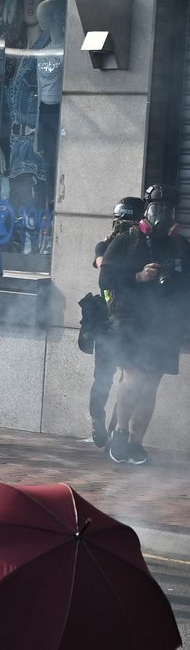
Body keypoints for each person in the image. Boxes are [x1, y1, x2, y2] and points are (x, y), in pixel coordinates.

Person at [100, 185, 190, 466]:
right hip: (130, 320)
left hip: (164, 325)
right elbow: (106, 279)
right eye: (156, 208)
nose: (161, 214)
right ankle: (120, 432)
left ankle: (136, 443)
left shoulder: (180, 246)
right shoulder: (127, 242)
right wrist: (139, 277)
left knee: (151, 385)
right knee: (135, 377)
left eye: (168, 209)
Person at [86, 196, 144, 447]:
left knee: (127, 380)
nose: (122, 227)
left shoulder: (143, 249)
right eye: (121, 222)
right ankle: (99, 422)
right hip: (109, 323)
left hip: (131, 322)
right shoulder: (107, 246)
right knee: (105, 379)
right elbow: (102, 264)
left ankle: (113, 429)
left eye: (128, 222)